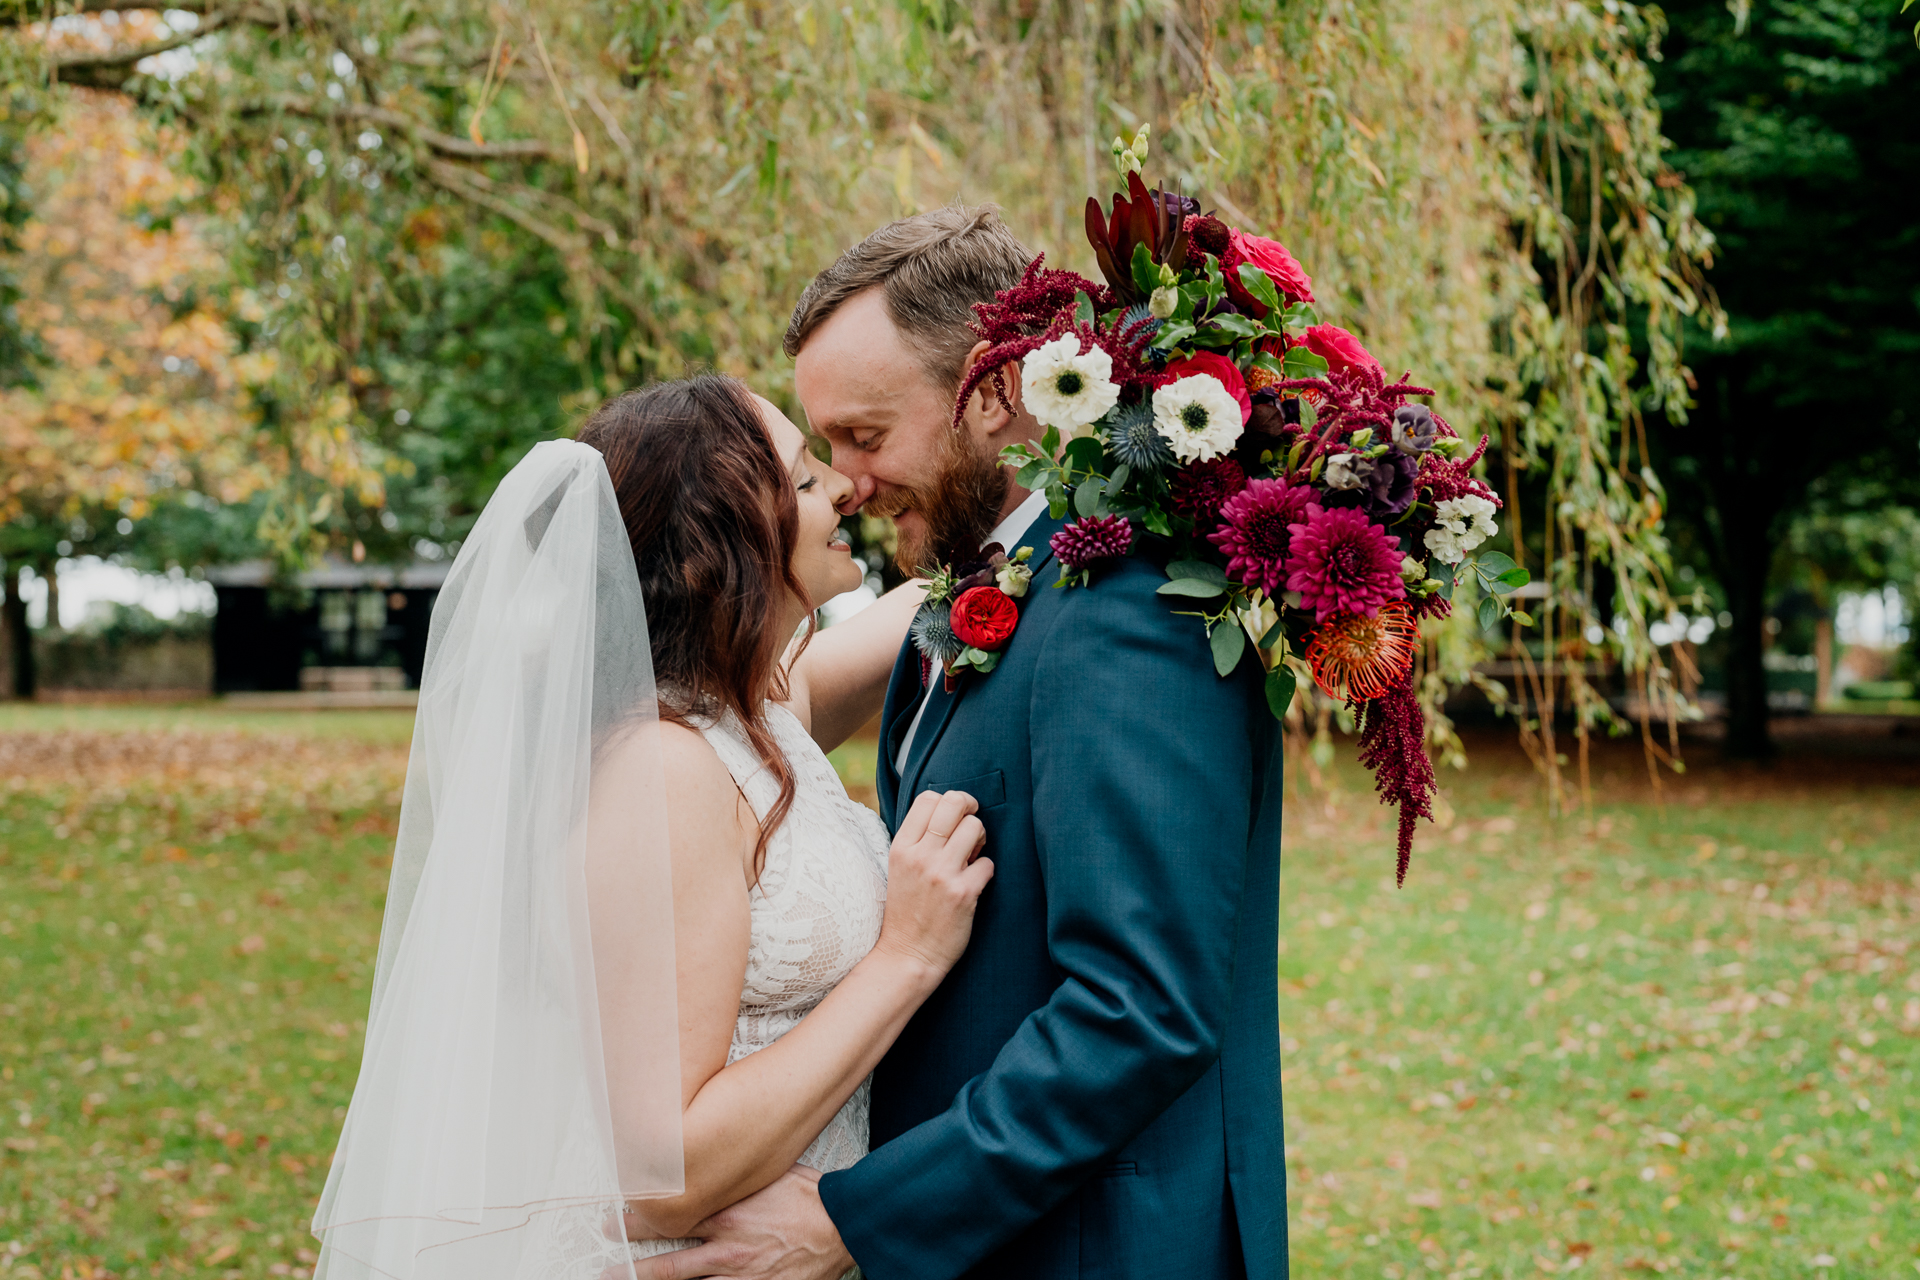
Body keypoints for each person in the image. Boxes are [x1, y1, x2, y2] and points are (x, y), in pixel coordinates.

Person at [636, 207, 1288, 1280]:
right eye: (826, 447)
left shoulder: (1128, 608)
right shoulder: (986, 587)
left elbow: (1141, 1009)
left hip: (1100, 1247)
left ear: (991, 396)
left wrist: (860, 1218)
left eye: (867, 435)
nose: (846, 481)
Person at [312, 375, 992, 1280]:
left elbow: (944, 597)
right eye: (798, 479)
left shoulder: (756, 708)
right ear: (720, 546)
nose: (842, 487)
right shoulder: (661, 768)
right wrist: (905, 957)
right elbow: (657, 1169)